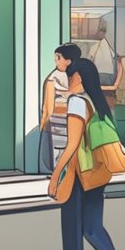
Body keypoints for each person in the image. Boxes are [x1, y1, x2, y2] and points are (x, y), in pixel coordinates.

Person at [48, 58, 125, 250]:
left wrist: (55, 176)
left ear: (77, 77)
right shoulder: (95, 101)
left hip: (78, 173)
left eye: (69, 76)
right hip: (96, 172)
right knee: (92, 227)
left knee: (71, 229)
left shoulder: (77, 102)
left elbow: (72, 145)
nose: (67, 80)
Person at [40, 44, 82, 172]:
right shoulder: (78, 77)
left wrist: (44, 121)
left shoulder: (53, 78)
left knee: (59, 148)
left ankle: (61, 173)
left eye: (58, 57)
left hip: (58, 120)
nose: (55, 60)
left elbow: (48, 105)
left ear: (68, 61)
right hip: (72, 119)